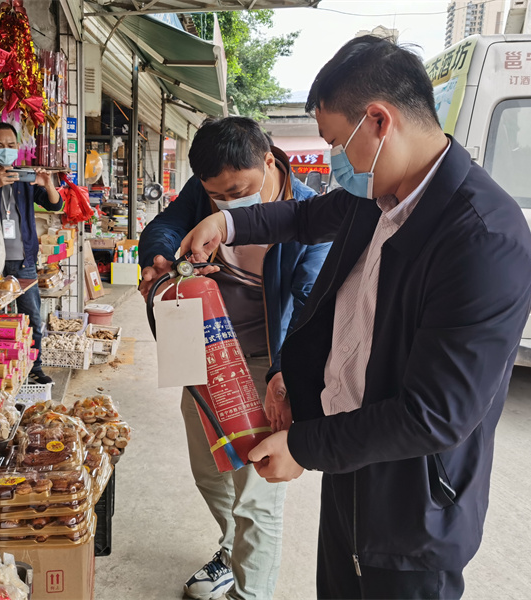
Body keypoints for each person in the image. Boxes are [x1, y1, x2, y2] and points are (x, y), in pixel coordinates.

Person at [179, 36, 531, 600]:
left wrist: (303, 447)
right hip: (348, 465)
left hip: (413, 508)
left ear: (378, 121)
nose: (330, 162)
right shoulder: (376, 193)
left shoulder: (482, 239)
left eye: (333, 144)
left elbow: (434, 416)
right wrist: (228, 226)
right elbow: (302, 216)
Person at [139, 116, 332, 600]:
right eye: (218, 196)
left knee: (259, 493)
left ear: (269, 160)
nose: (228, 203)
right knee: (209, 470)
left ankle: (252, 593)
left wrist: (286, 374)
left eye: (239, 190)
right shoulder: (207, 187)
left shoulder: (310, 216)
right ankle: (230, 551)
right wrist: (160, 258)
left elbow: (309, 307)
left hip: (270, 363)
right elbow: (165, 225)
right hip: (200, 348)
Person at [0, 122, 63, 385]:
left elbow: (56, 204)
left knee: (31, 314)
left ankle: (35, 366)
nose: (6, 150)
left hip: (24, 261)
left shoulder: (25, 177)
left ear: (18, 148)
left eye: (11, 146)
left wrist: (48, 182)